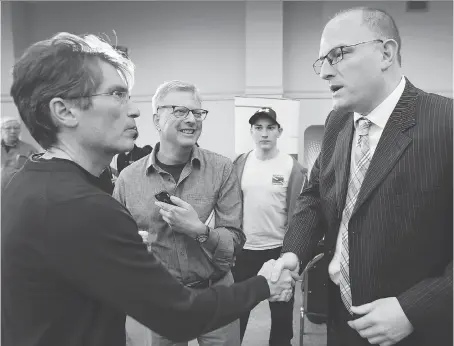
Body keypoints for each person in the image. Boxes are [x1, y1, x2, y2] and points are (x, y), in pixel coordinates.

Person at [1, 32, 297, 346]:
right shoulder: (88, 204)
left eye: (197, 112)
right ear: (65, 111)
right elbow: (179, 315)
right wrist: (264, 284)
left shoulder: (21, 184)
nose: (134, 111)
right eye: (116, 94)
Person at [272, 7, 453, 346]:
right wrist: (293, 253)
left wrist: (413, 310)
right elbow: (314, 197)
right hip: (342, 318)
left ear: (386, 53)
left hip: (418, 329)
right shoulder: (337, 123)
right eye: (322, 61)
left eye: (337, 55)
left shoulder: (446, 124)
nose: (325, 72)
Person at [114, 80, 243, 346]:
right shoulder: (129, 179)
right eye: (180, 111)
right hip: (159, 299)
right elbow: (118, 246)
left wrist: (199, 231)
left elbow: (235, 240)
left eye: (197, 113)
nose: (192, 120)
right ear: (157, 120)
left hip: (215, 293)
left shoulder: (221, 169)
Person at [231, 107, 306, 346]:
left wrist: (292, 252)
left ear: (279, 131)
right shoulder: (240, 164)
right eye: (259, 128)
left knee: (282, 316)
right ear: (251, 131)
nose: (264, 133)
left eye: (270, 128)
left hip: (278, 252)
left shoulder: (291, 167)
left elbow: (299, 215)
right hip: (245, 251)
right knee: (237, 312)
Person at [1, 114, 39, 191]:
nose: (13, 131)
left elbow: (37, 173)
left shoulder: (30, 149)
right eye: (8, 128)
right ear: (1, 130)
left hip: (18, 192)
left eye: (16, 128)